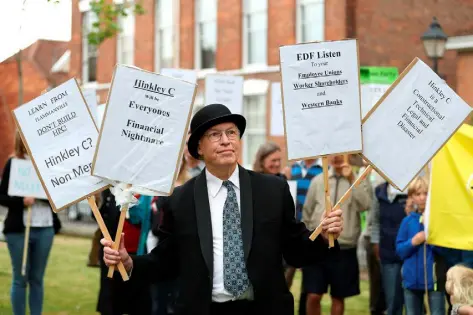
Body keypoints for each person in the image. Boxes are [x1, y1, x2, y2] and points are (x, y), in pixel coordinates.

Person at [102, 103, 344, 315]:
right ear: (198, 147)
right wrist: (129, 261)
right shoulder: (180, 200)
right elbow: (167, 261)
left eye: (231, 133)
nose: (226, 140)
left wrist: (322, 235)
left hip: (264, 308)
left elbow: (295, 251)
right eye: (215, 135)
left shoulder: (273, 190)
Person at [0, 132, 61, 315]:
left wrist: (45, 197)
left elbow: (61, 196)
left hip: (45, 229)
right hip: (19, 230)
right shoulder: (14, 163)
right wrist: (21, 201)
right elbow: (2, 196)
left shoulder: (51, 165)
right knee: (20, 278)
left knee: (37, 279)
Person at [302, 155, 372, 315]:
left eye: (340, 153)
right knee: (313, 294)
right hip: (317, 246)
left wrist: (351, 177)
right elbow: (307, 211)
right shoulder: (318, 180)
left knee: (338, 296)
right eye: (332, 153)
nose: (336, 157)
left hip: (344, 247)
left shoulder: (356, 179)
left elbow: (365, 205)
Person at [96, 189, 152, 315]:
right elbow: (103, 217)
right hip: (113, 253)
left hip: (140, 254)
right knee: (111, 301)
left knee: (138, 303)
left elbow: (140, 219)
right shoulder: (112, 187)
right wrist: (97, 200)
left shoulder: (149, 190)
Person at [395, 177, 445, 315]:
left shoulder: (437, 220)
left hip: (433, 282)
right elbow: (399, 251)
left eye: (426, 193)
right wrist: (413, 242)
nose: (422, 198)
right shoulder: (407, 221)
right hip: (411, 282)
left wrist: (433, 242)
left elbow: (445, 250)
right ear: (412, 197)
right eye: (418, 194)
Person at [150, 158, 191, 315]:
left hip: (185, 254)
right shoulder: (158, 187)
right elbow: (155, 226)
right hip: (163, 249)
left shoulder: (191, 184)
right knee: (160, 301)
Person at [370, 182, 408, 315]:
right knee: (392, 300)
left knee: (410, 302)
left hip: (409, 253)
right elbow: (375, 221)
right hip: (387, 252)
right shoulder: (379, 191)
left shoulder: (412, 191)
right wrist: (376, 243)